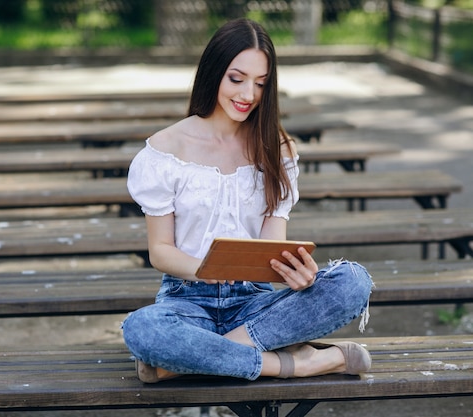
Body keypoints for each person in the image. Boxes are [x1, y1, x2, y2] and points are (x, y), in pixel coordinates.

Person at [123, 17, 373, 383]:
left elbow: (272, 246)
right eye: (236, 79)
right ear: (213, 73)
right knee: (143, 328)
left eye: (260, 84)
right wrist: (210, 270)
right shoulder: (165, 150)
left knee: (353, 280)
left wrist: (295, 275)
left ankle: (192, 359)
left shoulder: (277, 149)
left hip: (255, 303)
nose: (248, 95)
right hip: (188, 301)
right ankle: (295, 364)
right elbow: (160, 251)